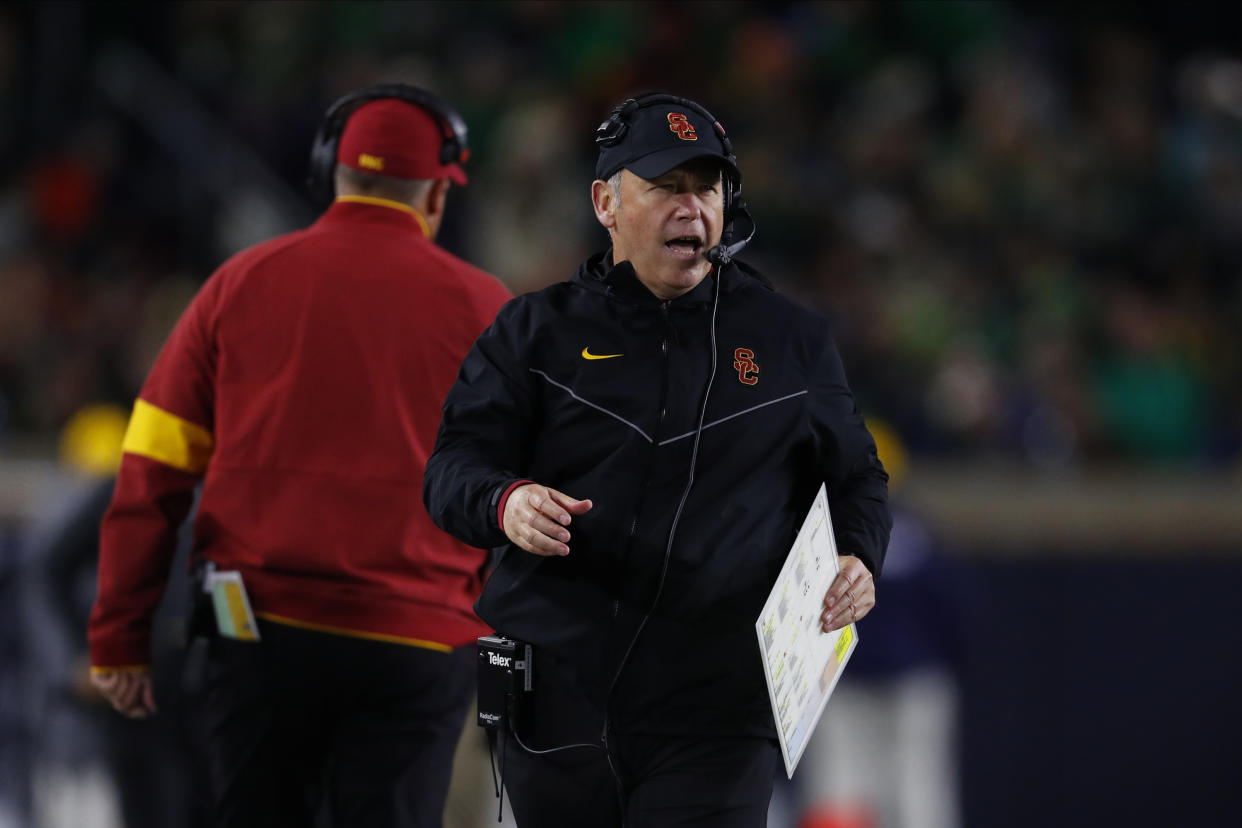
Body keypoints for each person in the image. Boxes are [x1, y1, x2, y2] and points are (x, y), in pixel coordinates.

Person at [423, 92, 892, 828]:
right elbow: (451, 470)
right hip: (559, 698)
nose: (691, 207)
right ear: (606, 202)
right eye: (666, 186)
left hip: (718, 704)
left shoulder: (788, 338)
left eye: (706, 187)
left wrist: (860, 557)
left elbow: (857, 476)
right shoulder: (535, 332)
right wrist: (504, 501)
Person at [87, 85, 512, 828]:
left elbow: (150, 473)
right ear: (439, 193)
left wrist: (120, 635)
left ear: (330, 172)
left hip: (253, 628)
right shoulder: (490, 311)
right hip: (417, 638)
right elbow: (529, 498)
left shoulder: (237, 284)